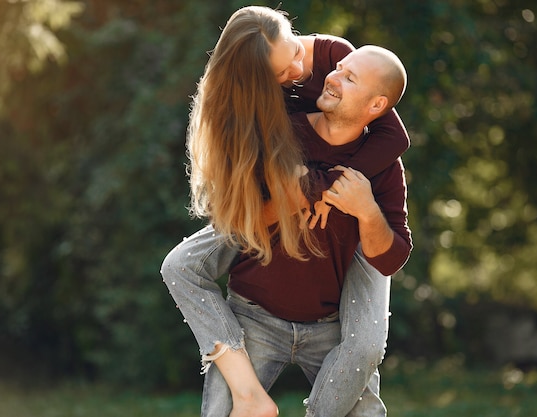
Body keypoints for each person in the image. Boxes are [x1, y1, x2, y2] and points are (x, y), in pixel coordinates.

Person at [161, 6, 411, 417]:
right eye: (282, 72)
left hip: (333, 310)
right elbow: (243, 217)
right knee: (180, 265)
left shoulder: (334, 56)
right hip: (257, 303)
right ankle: (248, 395)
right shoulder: (270, 126)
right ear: (262, 83)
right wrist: (293, 197)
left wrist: (349, 199)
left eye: (297, 53)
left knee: (366, 345)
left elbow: (394, 135)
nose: (301, 72)